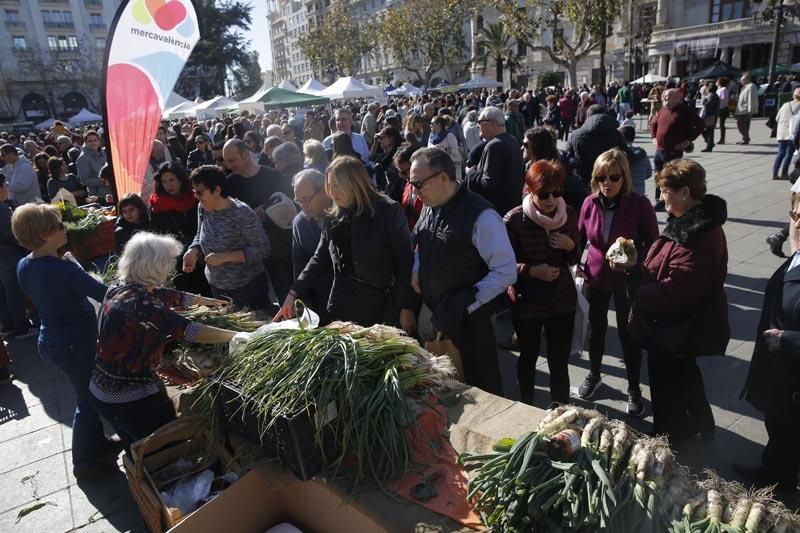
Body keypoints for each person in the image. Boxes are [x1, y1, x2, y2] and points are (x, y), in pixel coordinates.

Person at [90, 232, 237, 452]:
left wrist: (205, 300)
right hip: (127, 397)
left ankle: (142, 481)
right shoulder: (141, 304)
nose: (170, 269)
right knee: (165, 450)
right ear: (154, 266)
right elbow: (189, 330)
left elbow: (166, 294)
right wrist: (236, 336)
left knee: (137, 449)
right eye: (167, 263)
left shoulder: (120, 287)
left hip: (101, 390)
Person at [631, 159, 729, 444]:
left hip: (679, 325)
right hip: (686, 323)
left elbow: (679, 291)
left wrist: (638, 289)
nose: (661, 198)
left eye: (664, 191)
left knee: (667, 381)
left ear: (685, 192)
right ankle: (701, 423)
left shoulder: (695, 236)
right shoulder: (694, 224)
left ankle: (670, 437)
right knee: (685, 373)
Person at [12, 203, 112, 479]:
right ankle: (83, 464)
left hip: (53, 341)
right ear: (45, 235)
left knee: (87, 393)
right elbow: (104, 294)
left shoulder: (25, 265)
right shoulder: (63, 270)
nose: (63, 228)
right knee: (87, 400)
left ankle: (98, 444)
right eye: (58, 225)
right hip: (74, 344)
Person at [412, 148, 517, 396]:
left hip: (471, 325)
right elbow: (421, 240)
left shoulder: (482, 216)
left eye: (418, 183)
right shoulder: (431, 203)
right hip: (436, 316)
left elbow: (506, 270)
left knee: (479, 391)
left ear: (443, 178)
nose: (414, 191)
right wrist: (417, 268)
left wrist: (466, 303)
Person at [276, 156, 416, 332]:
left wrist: (406, 307)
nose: (332, 192)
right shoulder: (333, 215)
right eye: (329, 186)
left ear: (355, 182)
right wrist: (293, 292)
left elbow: (404, 261)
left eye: (336, 185)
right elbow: (319, 259)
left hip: (382, 304)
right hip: (342, 303)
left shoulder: (388, 210)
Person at [576, 148, 659, 416]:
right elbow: (580, 238)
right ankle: (594, 374)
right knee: (596, 329)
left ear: (624, 177)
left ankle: (634, 388)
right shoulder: (590, 202)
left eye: (614, 177)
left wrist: (636, 260)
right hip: (596, 275)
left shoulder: (639, 204)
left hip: (628, 278)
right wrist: (578, 263)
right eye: (602, 177)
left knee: (628, 333)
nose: (607, 183)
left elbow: (653, 244)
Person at [737, 193, 800, 496]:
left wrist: (788, 340)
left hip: (793, 373)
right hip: (779, 371)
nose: (797, 225)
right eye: (796, 215)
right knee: (777, 427)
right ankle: (770, 470)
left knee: (789, 432)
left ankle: (782, 486)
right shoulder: (796, 255)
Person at [505, 159, 580, 405]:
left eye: (556, 192)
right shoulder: (514, 220)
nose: (550, 200)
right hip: (528, 302)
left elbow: (576, 256)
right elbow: (504, 266)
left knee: (559, 361)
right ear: (530, 191)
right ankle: (527, 404)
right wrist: (531, 270)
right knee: (528, 356)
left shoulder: (568, 214)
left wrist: (570, 246)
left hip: (562, 300)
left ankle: (561, 411)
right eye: (543, 194)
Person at [183, 165, 271, 309]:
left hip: (247, 289)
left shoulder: (241, 213)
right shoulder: (203, 207)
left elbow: (263, 249)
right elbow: (200, 233)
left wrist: (225, 257)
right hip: (217, 288)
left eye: (200, 192)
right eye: (194, 192)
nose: (196, 197)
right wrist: (193, 249)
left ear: (217, 190)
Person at [223, 138, 294, 303]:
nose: (229, 165)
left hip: (279, 249)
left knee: (286, 294)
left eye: (233, 160)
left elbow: (289, 206)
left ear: (246, 153)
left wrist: (267, 212)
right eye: (227, 162)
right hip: (250, 255)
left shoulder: (272, 175)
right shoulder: (230, 183)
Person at [148, 162, 209, 295]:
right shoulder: (158, 205)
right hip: (176, 258)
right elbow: (156, 235)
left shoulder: (195, 199)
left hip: (200, 252)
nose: (169, 185)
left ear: (180, 180)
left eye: (172, 180)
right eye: (164, 181)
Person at [466, 106, 525, 217]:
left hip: (497, 211)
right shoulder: (513, 140)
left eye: (480, 122)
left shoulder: (494, 146)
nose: (478, 126)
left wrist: (471, 172)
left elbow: (488, 183)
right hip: (513, 207)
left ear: (492, 123)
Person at [290, 169, 333, 319]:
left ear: (325, 191)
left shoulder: (343, 214)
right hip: (322, 299)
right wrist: (304, 302)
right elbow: (299, 263)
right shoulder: (300, 222)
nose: (303, 206)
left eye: (306, 199)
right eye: (298, 201)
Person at [650, 88, 705, 206]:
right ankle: (659, 200)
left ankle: (670, 201)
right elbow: (653, 124)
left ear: (677, 98)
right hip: (659, 151)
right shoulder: (663, 109)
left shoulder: (685, 110)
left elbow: (700, 125)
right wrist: (653, 137)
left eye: (668, 96)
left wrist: (688, 140)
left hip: (673, 152)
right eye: (664, 96)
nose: (665, 98)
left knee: (670, 178)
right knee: (658, 176)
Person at [0, 174, 36, 338]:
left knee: (3, 292)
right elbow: (11, 233)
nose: (7, 189)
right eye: (5, 186)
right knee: (13, 292)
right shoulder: (1, 208)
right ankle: (22, 328)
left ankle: (7, 325)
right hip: (7, 255)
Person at [566, 104, 627, 185]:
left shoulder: (575, 134)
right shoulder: (616, 134)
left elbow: (567, 157)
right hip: (610, 181)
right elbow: (627, 155)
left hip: (583, 180)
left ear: (587, 116)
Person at [773, 87, 800, 181]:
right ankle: (784, 173)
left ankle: (774, 173)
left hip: (781, 132)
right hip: (792, 134)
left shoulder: (785, 105)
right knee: (788, 154)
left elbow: (777, 118)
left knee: (780, 153)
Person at [619, 126, 652, 197]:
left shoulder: (618, 154)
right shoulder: (642, 154)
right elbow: (648, 173)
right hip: (639, 191)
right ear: (633, 138)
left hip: (622, 191)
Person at [75, 130, 108, 197]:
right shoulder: (82, 158)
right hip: (97, 195)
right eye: (90, 141)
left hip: (109, 192)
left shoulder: (104, 153)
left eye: (95, 140)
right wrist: (104, 181)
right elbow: (84, 181)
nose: (93, 143)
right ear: (86, 143)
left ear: (99, 141)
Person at [428, 116, 462, 180]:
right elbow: (428, 149)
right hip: (436, 167)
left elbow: (455, 151)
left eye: (432, 123)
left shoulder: (449, 136)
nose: (430, 125)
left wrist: (444, 149)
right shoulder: (431, 137)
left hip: (449, 167)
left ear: (439, 125)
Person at [735, 74, 759, 145]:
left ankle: (746, 138)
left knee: (741, 124)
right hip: (742, 108)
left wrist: (750, 109)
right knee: (743, 124)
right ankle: (745, 138)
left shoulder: (751, 86)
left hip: (745, 109)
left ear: (747, 79)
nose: (740, 81)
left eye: (742, 79)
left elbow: (751, 98)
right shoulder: (744, 87)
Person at [699, 83, 720, 153]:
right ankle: (709, 143)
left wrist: (704, 99)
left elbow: (707, 104)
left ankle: (709, 144)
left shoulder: (712, 96)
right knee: (706, 130)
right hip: (710, 115)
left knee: (708, 130)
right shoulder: (712, 95)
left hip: (710, 115)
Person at [716, 77, 731, 145]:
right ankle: (721, 139)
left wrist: (716, 100)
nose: (716, 82)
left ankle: (722, 139)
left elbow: (724, 99)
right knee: (720, 124)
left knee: (721, 124)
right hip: (719, 108)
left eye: (717, 81)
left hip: (723, 108)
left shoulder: (724, 89)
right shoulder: (719, 89)